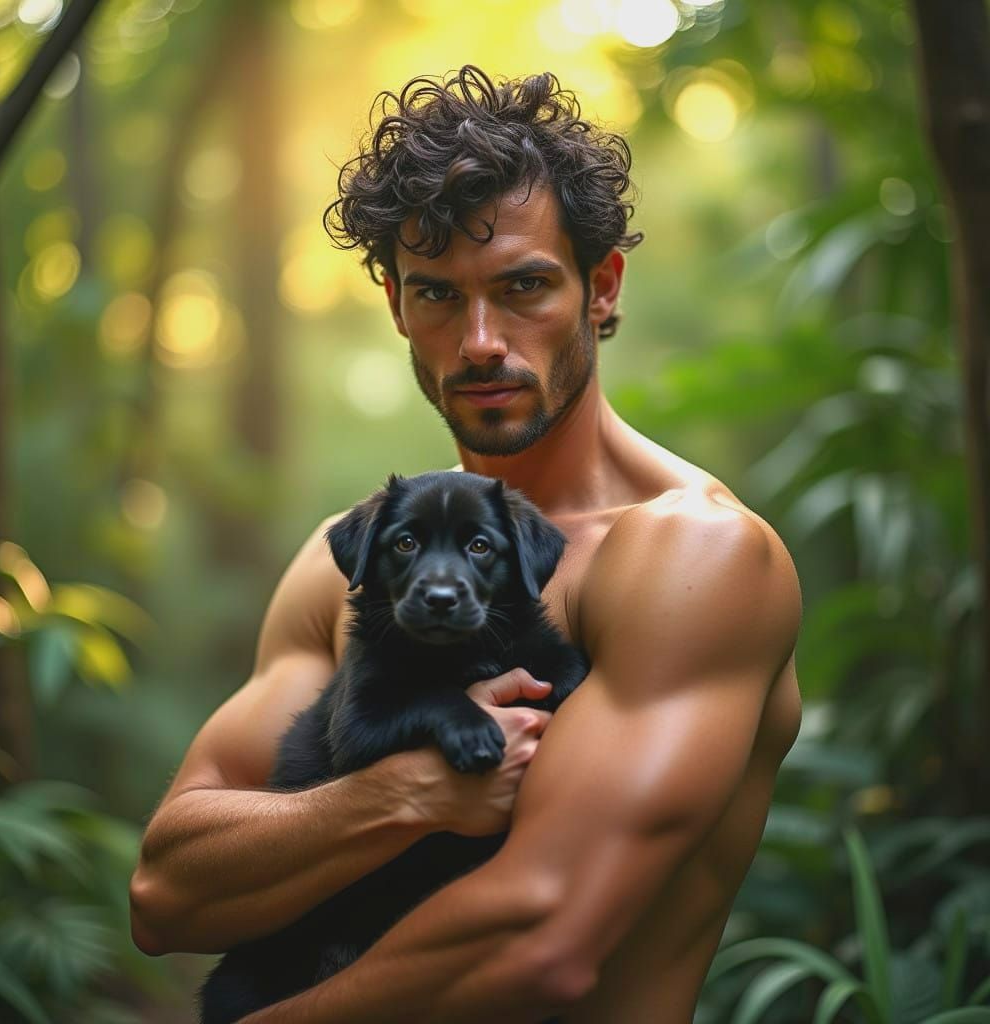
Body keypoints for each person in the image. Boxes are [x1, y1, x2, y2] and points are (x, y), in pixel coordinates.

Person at [129, 66, 802, 1023]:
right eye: (439, 295)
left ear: (601, 288)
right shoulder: (348, 561)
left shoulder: (691, 558)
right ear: (398, 307)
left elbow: (538, 940)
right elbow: (167, 894)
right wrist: (402, 793)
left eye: (524, 286)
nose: (481, 339)